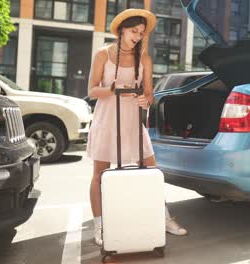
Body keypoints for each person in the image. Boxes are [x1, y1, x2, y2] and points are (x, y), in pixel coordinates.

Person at [86, 8, 187, 246]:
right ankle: (99, 226)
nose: (137, 36)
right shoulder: (103, 54)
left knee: (152, 170)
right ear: (121, 30)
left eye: (141, 33)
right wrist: (110, 90)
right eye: (134, 31)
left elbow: (150, 94)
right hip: (107, 119)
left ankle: (163, 218)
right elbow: (91, 90)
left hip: (132, 121)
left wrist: (145, 99)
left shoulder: (144, 58)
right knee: (99, 175)